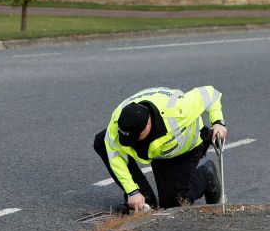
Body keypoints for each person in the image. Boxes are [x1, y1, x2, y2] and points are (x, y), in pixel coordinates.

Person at [93, 86, 227, 212]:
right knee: (103, 141)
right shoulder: (119, 121)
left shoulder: (178, 110)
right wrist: (132, 191)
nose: (129, 143)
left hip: (183, 149)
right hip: (157, 151)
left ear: (147, 125)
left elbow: (210, 93)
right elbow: (115, 154)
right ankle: (144, 199)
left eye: (134, 137)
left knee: (174, 204)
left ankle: (206, 174)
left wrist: (217, 122)